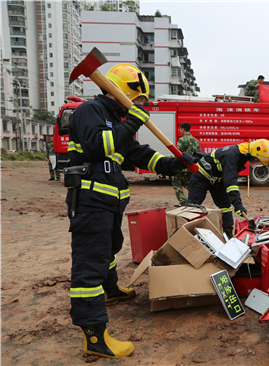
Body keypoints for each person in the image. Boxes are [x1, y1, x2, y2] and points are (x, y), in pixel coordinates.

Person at [65, 63, 195, 359]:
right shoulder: (89, 112)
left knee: (110, 247)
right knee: (90, 264)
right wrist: (131, 123)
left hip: (109, 203)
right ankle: (94, 336)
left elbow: (135, 154)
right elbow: (97, 147)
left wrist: (169, 165)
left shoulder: (115, 119)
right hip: (90, 201)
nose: (140, 107)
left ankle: (110, 289)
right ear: (124, 93)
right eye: (138, 101)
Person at [187, 139, 269, 238]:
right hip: (201, 176)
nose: (256, 162)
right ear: (253, 152)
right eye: (257, 160)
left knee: (226, 207)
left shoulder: (242, 155)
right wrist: (237, 204)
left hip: (217, 179)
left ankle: (229, 236)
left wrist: (236, 204)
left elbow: (229, 178)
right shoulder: (231, 155)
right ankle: (185, 233)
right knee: (193, 207)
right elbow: (231, 182)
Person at [172, 122, 201, 204]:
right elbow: (199, 154)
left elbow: (178, 154)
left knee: (176, 181)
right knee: (190, 185)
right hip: (192, 168)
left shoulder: (182, 140)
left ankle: (183, 201)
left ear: (183, 129)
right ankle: (193, 201)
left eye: (180, 129)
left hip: (182, 167)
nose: (180, 131)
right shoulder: (196, 141)